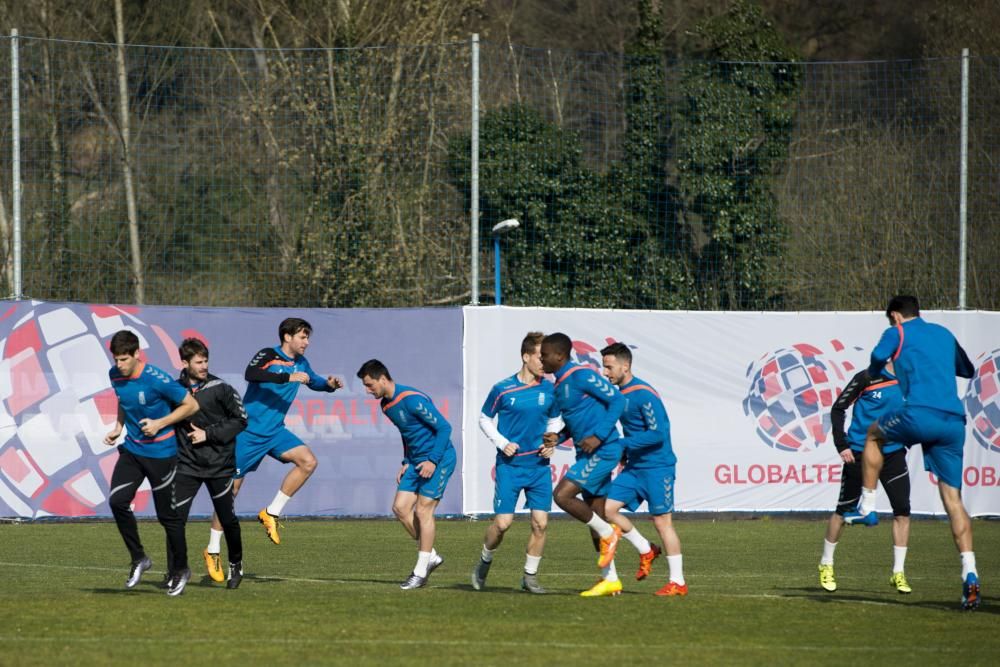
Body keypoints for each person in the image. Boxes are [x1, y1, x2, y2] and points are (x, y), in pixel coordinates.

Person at [844, 295, 980, 610]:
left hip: (919, 413)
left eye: (890, 320)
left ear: (896, 316)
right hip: (952, 422)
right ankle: (970, 572)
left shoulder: (898, 332)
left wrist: (889, 364)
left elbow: (876, 363)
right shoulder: (944, 334)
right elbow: (968, 370)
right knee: (953, 501)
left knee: (874, 435)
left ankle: (867, 506)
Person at [208, 317, 343, 547]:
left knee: (308, 461)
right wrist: (286, 378)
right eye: (302, 336)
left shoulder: (302, 362)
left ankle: (271, 512)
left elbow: (314, 381)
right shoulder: (268, 355)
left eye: (308, 337)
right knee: (231, 491)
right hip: (248, 433)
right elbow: (251, 373)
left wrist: (329, 385)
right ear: (287, 337)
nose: (307, 341)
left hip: (275, 433)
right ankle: (213, 548)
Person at [103, 330, 200, 596]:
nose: (119, 364)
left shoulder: (157, 379)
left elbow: (191, 405)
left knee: (168, 518)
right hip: (133, 450)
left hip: (161, 454)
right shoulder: (115, 375)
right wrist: (118, 426)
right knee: (117, 501)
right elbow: (125, 401)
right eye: (116, 359)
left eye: (124, 359)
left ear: (137, 354)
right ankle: (139, 558)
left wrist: (160, 423)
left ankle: (181, 569)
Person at [472, 332, 563, 594]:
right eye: (540, 356)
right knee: (502, 524)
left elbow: (555, 420)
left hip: (538, 467)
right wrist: (502, 442)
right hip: (509, 467)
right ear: (526, 357)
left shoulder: (550, 389)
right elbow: (484, 419)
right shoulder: (503, 389)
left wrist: (551, 442)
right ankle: (484, 562)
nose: (544, 362)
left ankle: (529, 577)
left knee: (540, 523)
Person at [357, 359, 456, 590]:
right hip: (415, 461)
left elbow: (444, 428)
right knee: (400, 508)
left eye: (370, 385)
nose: (367, 390)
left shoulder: (411, 399)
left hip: (439, 459)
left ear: (383, 379)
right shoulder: (385, 406)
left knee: (423, 510)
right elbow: (407, 434)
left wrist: (432, 460)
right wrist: (405, 460)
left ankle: (420, 572)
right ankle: (429, 554)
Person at [541, 332, 626, 597]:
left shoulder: (582, 375)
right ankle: (610, 580)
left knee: (562, 495)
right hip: (587, 454)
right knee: (595, 517)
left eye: (544, 354)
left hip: (605, 449)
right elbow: (576, 420)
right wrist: (559, 436)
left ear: (559, 356)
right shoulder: (559, 386)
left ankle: (610, 533)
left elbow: (618, 400)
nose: (541, 359)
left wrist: (599, 436)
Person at [600, 342, 687, 596]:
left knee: (662, 523)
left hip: (658, 468)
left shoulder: (644, 393)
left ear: (625, 366)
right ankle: (646, 549)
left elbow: (658, 433)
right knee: (607, 509)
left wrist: (623, 444)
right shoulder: (618, 395)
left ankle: (678, 582)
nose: (605, 373)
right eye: (604, 367)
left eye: (609, 367)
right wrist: (626, 453)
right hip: (635, 467)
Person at [820, 361, 911, 594]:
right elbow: (838, 408)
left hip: (893, 453)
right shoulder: (867, 377)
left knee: (902, 510)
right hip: (859, 453)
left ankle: (898, 573)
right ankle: (826, 564)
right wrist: (842, 445)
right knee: (843, 511)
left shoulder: (911, 379)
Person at [172, 338, 248, 589]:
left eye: (206, 361)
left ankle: (235, 564)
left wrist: (208, 434)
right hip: (187, 465)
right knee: (175, 520)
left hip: (220, 465)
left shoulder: (221, 388)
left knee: (228, 519)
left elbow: (240, 420)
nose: (204, 366)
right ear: (184, 363)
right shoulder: (174, 391)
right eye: (198, 362)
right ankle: (177, 571)